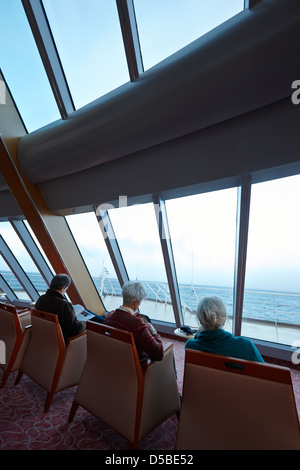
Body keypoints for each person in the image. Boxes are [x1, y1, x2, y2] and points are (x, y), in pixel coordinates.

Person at [185, 296, 264, 363]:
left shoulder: (190, 346)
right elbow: (265, 373)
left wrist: (197, 336)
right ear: (224, 320)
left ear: (200, 320)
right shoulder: (246, 346)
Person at [105, 281, 164, 362]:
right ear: (136, 302)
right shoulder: (136, 324)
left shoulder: (110, 316)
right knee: (168, 351)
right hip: (135, 366)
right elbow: (158, 354)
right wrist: (154, 333)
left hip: (114, 360)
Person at [35, 273, 105, 342]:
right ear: (62, 288)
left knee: (84, 311)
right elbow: (75, 330)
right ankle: (105, 321)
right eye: (66, 289)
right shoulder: (64, 305)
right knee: (87, 315)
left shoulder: (41, 299)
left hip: (47, 333)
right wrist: (84, 322)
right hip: (62, 338)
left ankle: (104, 320)